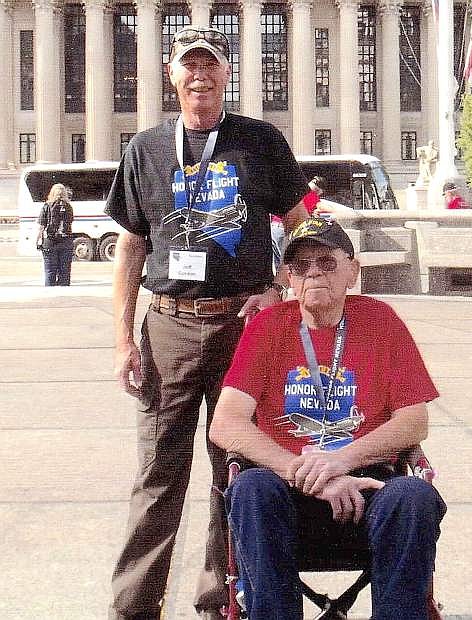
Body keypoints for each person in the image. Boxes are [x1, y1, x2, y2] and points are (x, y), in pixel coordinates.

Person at [104, 25, 309, 620]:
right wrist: (122, 339)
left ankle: (223, 598)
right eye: (189, 66)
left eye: (211, 66)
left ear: (226, 75)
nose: (201, 76)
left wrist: (278, 289)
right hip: (167, 327)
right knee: (157, 475)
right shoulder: (145, 149)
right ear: (172, 77)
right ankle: (135, 608)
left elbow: (303, 225)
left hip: (242, 330)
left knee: (238, 470)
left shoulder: (260, 142)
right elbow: (130, 249)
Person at [210, 216, 447, 620]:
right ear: (288, 277)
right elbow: (226, 424)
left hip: (368, 488)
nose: (314, 272)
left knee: (415, 497)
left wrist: (341, 462)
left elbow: (414, 421)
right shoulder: (269, 326)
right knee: (249, 488)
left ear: (352, 271)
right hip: (286, 492)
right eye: (301, 266)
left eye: (327, 261)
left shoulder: (380, 321)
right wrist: (308, 473)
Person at [271, 176, 326, 272]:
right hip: (284, 229)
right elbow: (306, 218)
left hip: (274, 227)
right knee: (286, 260)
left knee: (277, 260)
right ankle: (286, 284)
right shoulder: (313, 197)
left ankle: (278, 284)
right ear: (320, 190)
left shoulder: (296, 190)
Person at [36, 183, 74, 286]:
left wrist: (38, 240)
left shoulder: (47, 206)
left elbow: (41, 226)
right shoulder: (68, 207)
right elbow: (70, 223)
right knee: (65, 273)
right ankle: (64, 296)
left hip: (50, 242)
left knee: (50, 271)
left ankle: (50, 297)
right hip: (66, 242)